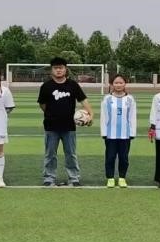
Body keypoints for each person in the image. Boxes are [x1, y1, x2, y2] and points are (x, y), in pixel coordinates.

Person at [37, 57, 92, 187]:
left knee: (71, 154)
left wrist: (91, 114)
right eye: (56, 68)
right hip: (51, 126)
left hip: (69, 127)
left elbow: (83, 100)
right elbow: (42, 104)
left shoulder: (73, 85)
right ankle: (49, 178)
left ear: (65, 69)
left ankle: (74, 178)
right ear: (52, 70)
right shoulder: (46, 86)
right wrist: (51, 114)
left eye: (61, 68)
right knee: (50, 154)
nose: (58, 70)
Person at [100, 73, 137, 187]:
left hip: (125, 135)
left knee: (124, 158)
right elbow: (104, 116)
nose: (118, 85)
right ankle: (110, 178)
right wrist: (104, 132)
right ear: (112, 84)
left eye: (121, 82)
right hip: (110, 134)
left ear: (125, 84)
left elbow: (132, 116)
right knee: (110, 157)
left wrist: (132, 132)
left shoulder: (130, 99)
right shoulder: (107, 99)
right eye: (116, 82)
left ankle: (122, 178)